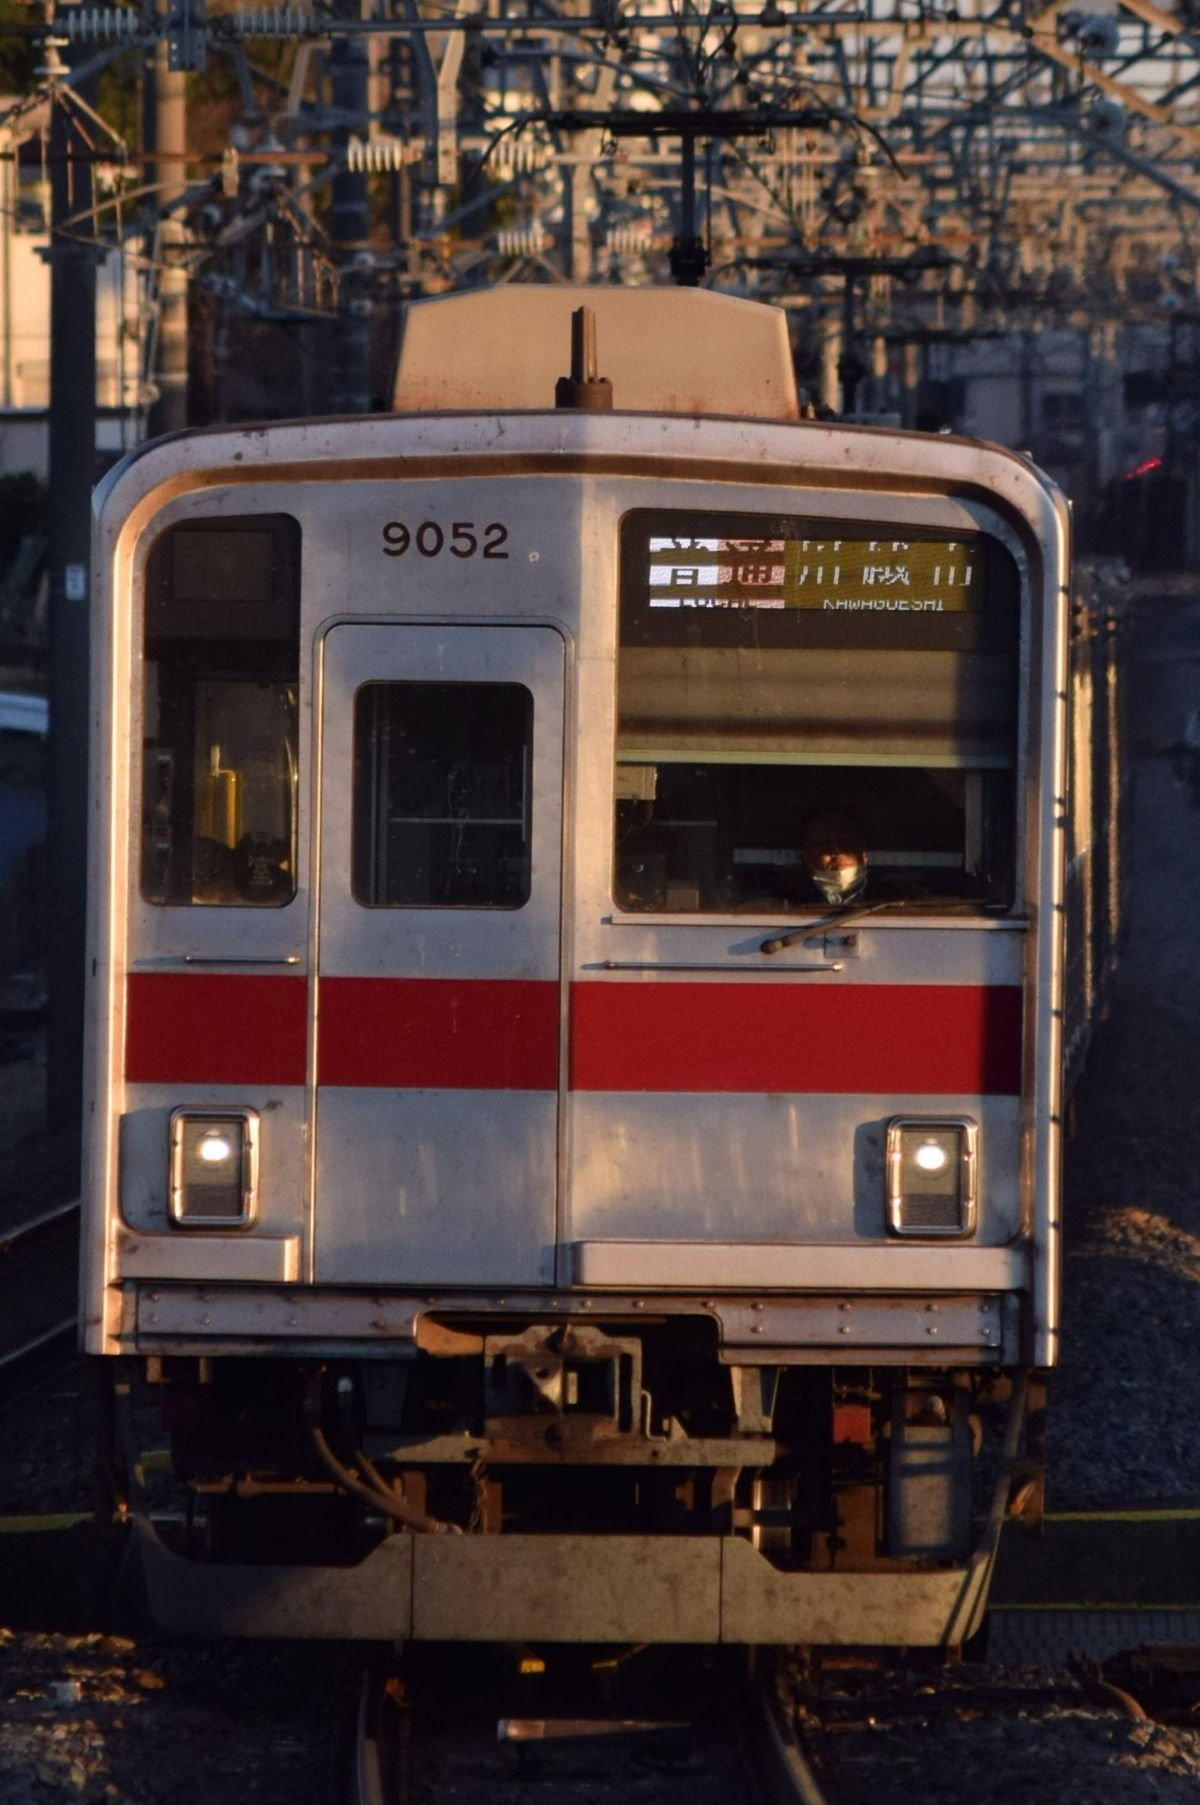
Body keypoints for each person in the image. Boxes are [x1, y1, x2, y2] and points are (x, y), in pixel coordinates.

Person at [800, 804, 868, 906]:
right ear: (806, 858)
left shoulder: (891, 900)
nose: (836, 852)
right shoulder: (782, 903)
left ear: (863, 851)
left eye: (845, 842)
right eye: (824, 844)